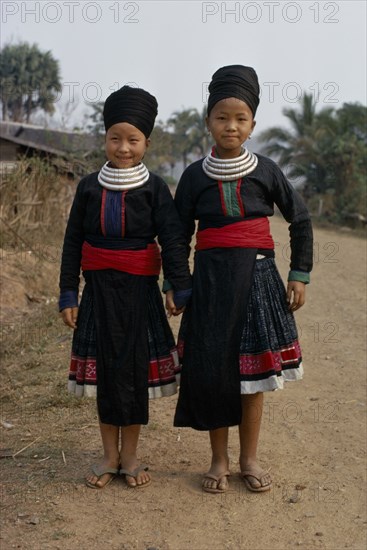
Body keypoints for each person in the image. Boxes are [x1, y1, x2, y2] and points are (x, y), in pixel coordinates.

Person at [167, 65, 313, 494]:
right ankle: (219, 460)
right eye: (221, 117)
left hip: (258, 278)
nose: (231, 126)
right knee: (213, 370)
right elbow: (176, 234)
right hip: (210, 284)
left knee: (251, 375)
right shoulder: (194, 176)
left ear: (253, 124)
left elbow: (299, 217)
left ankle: (249, 458)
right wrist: (177, 282)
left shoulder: (266, 170)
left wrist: (298, 273)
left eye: (240, 118)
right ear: (208, 120)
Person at [59, 85, 191, 489]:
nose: (123, 147)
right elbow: (72, 241)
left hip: (139, 292)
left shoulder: (154, 189)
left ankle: (130, 458)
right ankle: (108, 456)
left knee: (132, 373)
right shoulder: (87, 187)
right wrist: (69, 293)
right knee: (105, 372)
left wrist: (177, 285)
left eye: (133, 140)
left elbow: (172, 239)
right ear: (104, 139)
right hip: (98, 292)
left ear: (146, 142)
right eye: (115, 138)